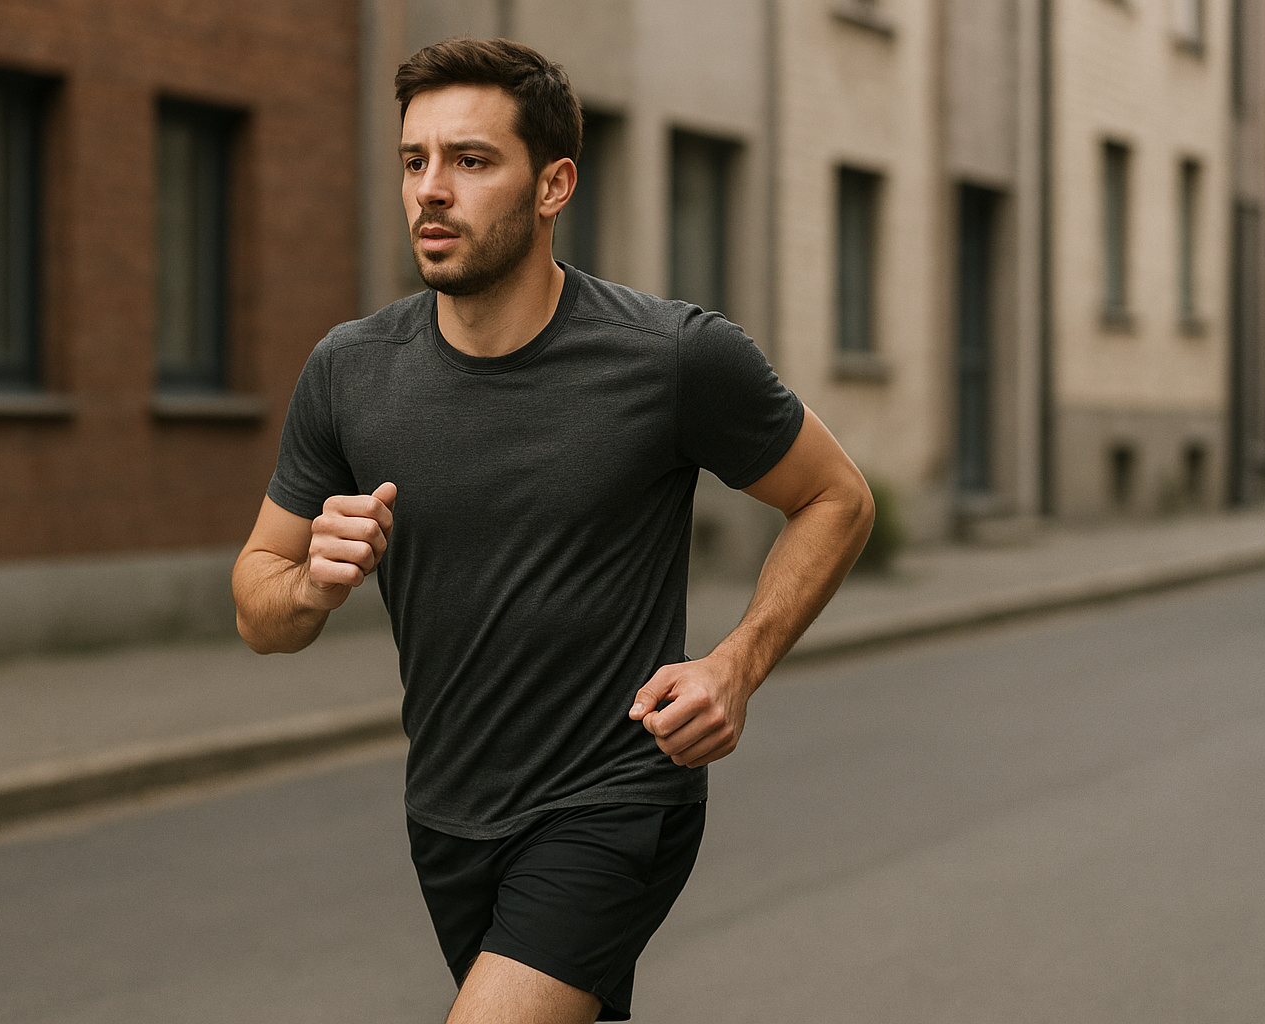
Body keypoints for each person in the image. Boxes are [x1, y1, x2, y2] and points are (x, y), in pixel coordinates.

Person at [232, 37, 874, 1024]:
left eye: (471, 161)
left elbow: (837, 497)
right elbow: (257, 605)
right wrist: (312, 586)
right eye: (415, 161)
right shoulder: (349, 373)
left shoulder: (672, 358)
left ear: (553, 183)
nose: (431, 191)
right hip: (447, 814)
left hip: (615, 796)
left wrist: (735, 667)